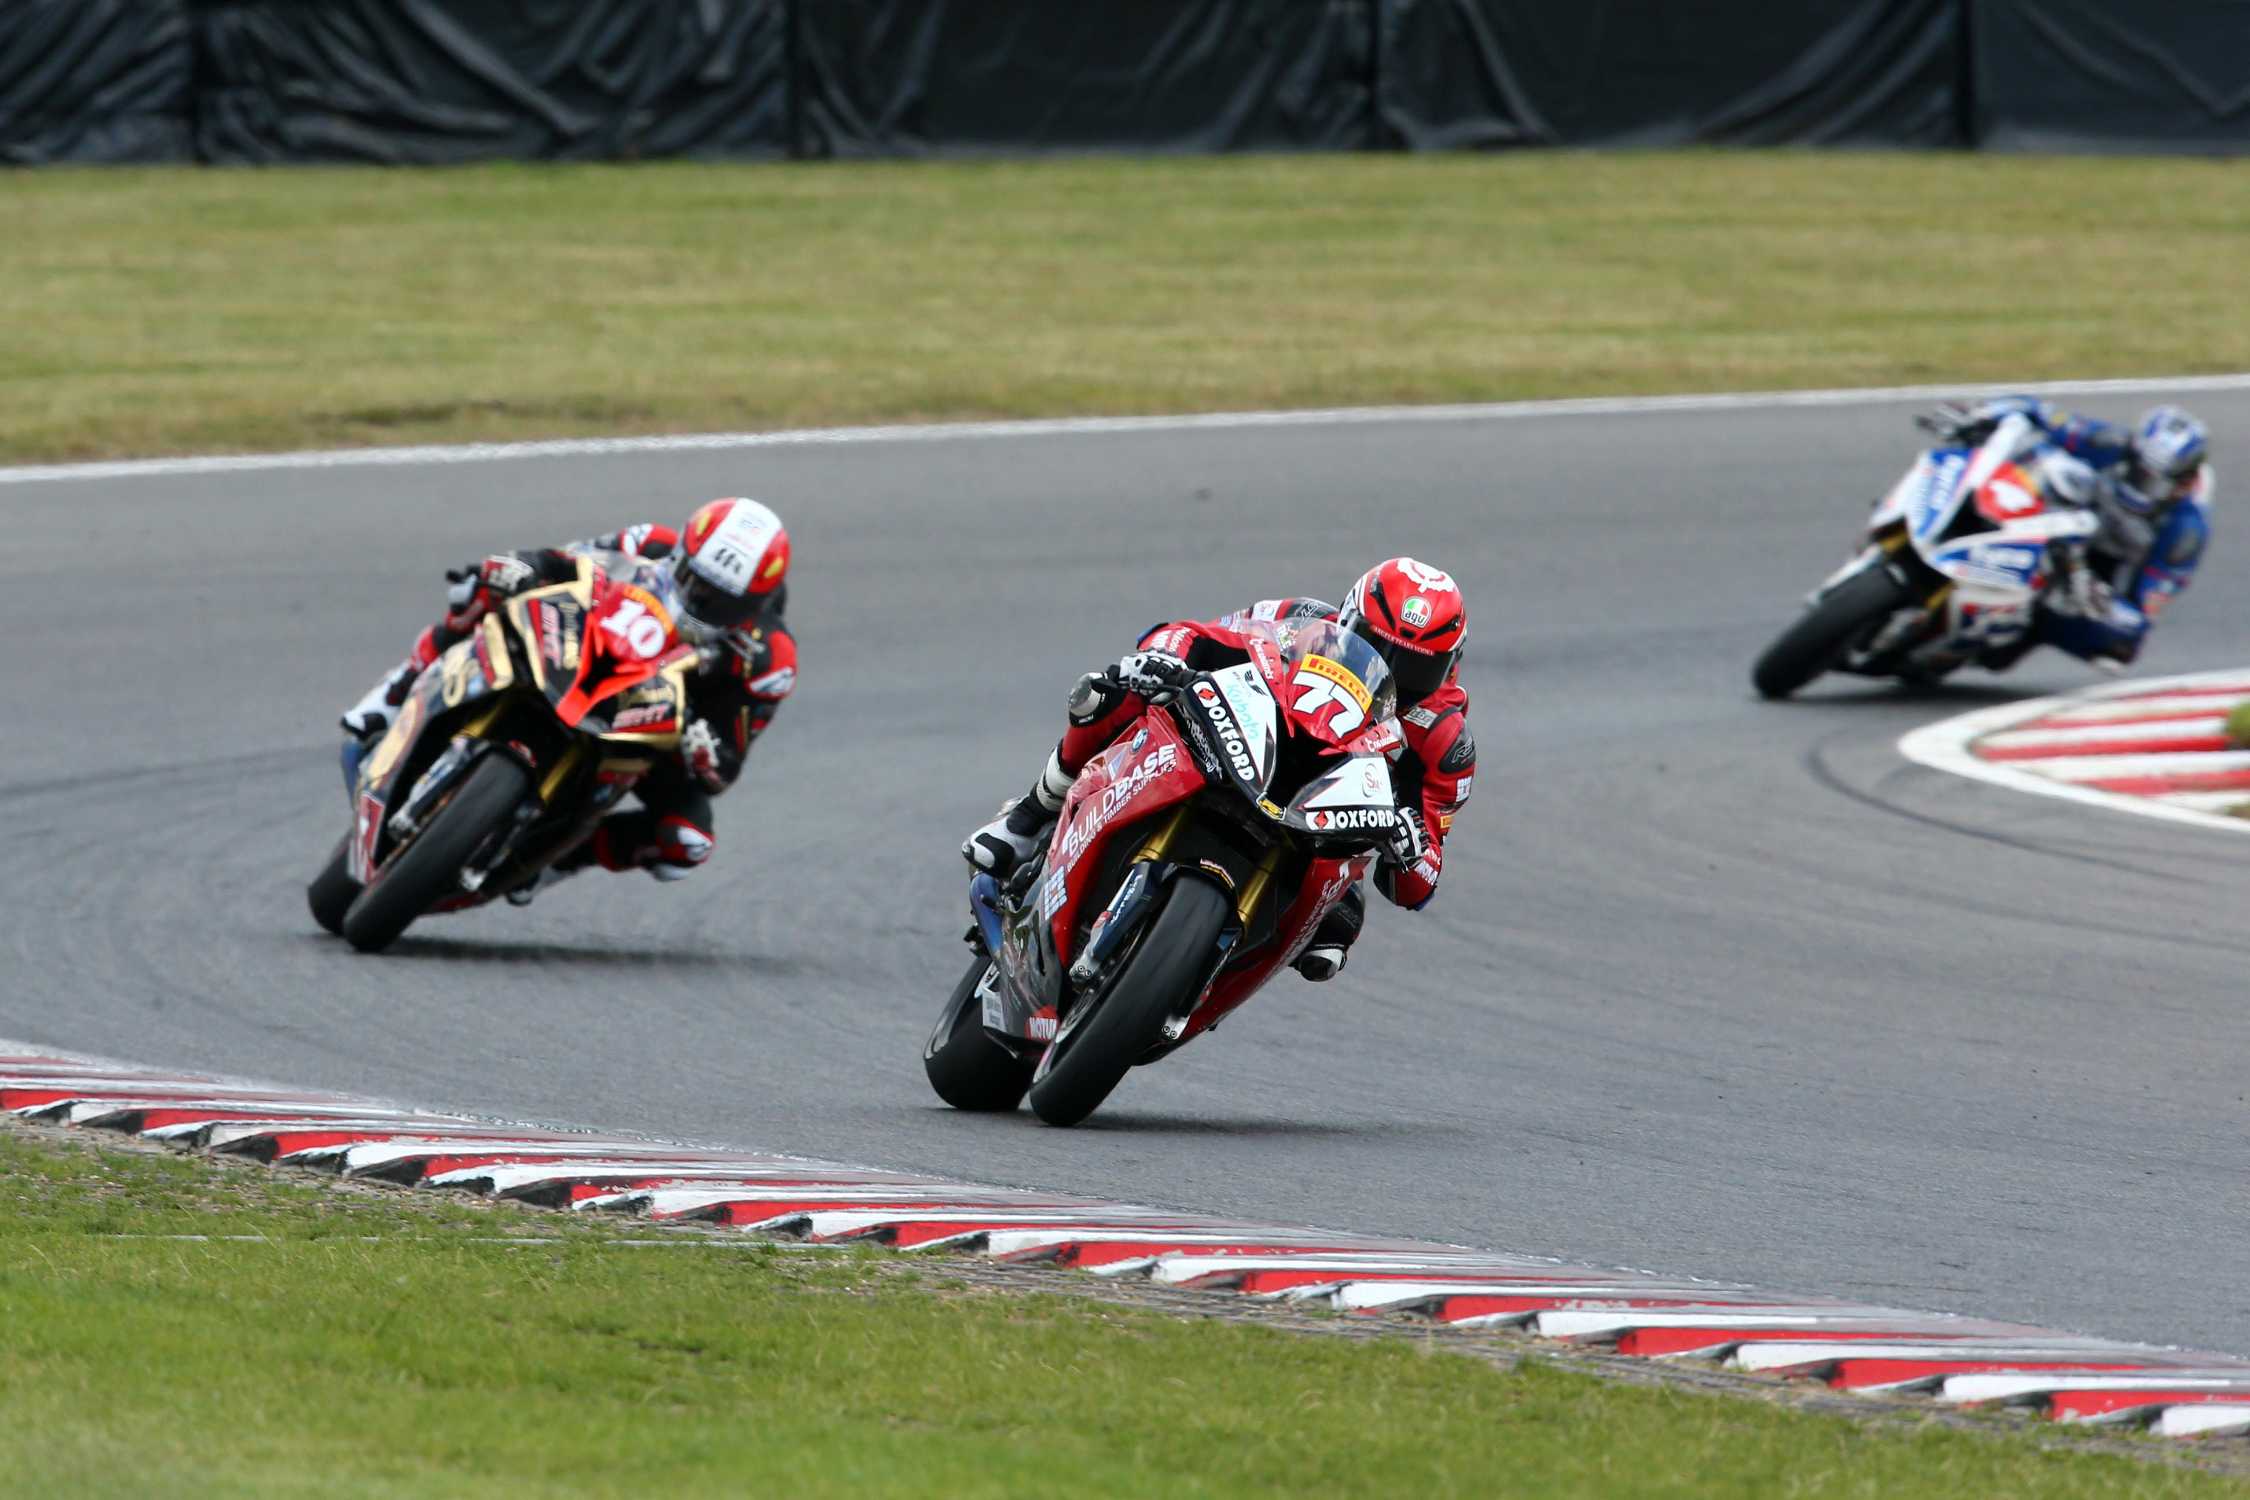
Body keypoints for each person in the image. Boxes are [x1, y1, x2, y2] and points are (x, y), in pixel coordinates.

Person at [964, 558, 1474, 982]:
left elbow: (1420, 884)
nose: (1392, 671)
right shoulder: (1301, 621)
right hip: (1246, 746)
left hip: (1322, 823)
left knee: (1337, 928)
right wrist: (1162, 659)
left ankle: (1203, 976)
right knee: (1112, 693)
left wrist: (1412, 848)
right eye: (1374, 643)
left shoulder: (1447, 738)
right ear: (1347, 619)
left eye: (1415, 668)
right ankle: (1029, 817)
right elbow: (1193, 636)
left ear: (1449, 664)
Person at [339, 499, 797, 889]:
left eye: (719, 600)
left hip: (655, 727)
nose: (697, 601)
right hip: (582, 651)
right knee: (478, 592)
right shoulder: (647, 543)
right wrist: (514, 569)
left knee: (689, 841)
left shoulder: (769, 659)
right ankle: (396, 690)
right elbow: (562, 561)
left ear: (753, 602)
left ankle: (555, 865)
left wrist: (704, 750)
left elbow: (725, 768)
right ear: (681, 552)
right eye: (691, 579)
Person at [1926, 397, 2212, 669]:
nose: (2141, 485)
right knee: (1998, 463)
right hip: (2058, 516)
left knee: (2122, 644)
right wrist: (1985, 413)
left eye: (2154, 483)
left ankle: (2013, 633)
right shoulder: (2109, 442)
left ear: (2184, 484)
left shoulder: (2184, 533)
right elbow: (2040, 413)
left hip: (2095, 569)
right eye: (2139, 471)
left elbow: (2142, 612)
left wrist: (2097, 596)